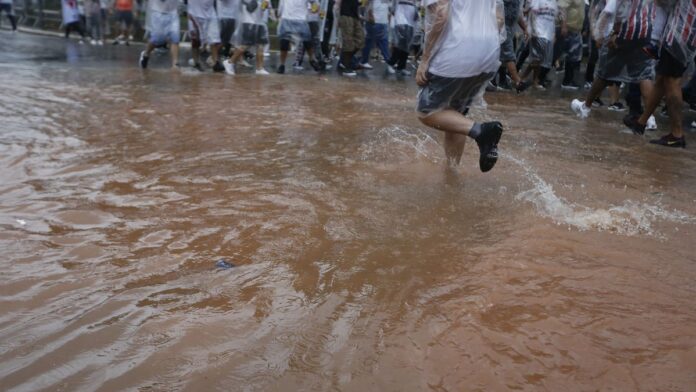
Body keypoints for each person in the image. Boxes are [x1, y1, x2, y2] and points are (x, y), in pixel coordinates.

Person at [416, 0, 505, 171]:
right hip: (488, 54)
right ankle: (452, 173)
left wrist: (425, 59)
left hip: (456, 53)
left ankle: (481, 131)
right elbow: (499, 19)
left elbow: (441, 15)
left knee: (426, 112)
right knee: (455, 115)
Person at [624, 0, 695, 148]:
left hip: (679, 35)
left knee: (671, 80)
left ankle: (677, 134)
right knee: (663, 80)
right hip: (687, 35)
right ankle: (641, 122)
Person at [571, 0, 656, 120]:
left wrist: (601, 35)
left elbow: (609, 10)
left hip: (624, 33)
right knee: (644, 76)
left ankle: (586, 107)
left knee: (603, 72)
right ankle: (649, 118)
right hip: (645, 33)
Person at [223, 0, 271, 74]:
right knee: (245, 45)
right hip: (248, 22)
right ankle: (229, 62)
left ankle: (259, 68)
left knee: (260, 46)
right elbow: (250, 8)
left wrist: (265, 4)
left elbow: (263, 8)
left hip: (259, 23)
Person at [519, 0, 558, 90]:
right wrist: (533, 30)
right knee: (537, 59)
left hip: (548, 35)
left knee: (539, 60)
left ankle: (533, 81)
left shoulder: (553, 3)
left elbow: (553, 19)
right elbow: (532, 14)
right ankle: (523, 78)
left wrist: (553, 33)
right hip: (538, 33)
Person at [276, 0, 321, 74]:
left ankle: (312, 59)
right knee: (284, 43)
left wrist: (315, 9)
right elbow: (281, 4)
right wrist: (279, 14)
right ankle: (282, 65)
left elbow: (314, 2)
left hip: (301, 19)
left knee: (307, 42)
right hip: (286, 18)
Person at [497, 0, 529, 91]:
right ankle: (518, 82)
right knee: (508, 54)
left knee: (502, 56)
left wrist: (525, 29)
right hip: (502, 27)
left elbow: (518, 14)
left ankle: (500, 81)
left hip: (510, 29)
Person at [139, 0, 181, 69]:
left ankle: (175, 64)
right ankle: (146, 54)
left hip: (173, 13)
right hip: (158, 13)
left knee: (175, 37)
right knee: (157, 39)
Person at [188, 0, 224, 71]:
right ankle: (196, 62)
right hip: (194, 14)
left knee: (214, 38)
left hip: (210, 14)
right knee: (195, 41)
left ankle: (215, 62)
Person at [558, 0, 585, 90]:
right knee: (560, 54)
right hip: (568, 29)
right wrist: (564, 25)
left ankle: (568, 80)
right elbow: (562, 8)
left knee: (573, 57)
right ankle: (567, 81)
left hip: (576, 30)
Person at [387, 0, 418, 75]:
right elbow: (392, 6)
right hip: (400, 16)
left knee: (407, 45)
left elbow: (415, 3)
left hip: (410, 19)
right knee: (399, 43)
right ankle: (391, 63)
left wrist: (416, 12)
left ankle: (401, 67)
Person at [336, 0, 365, 76]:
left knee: (360, 40)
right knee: (348, 43)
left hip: (355, 15)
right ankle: (346, 67)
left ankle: (344, 61)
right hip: (346, 14)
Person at [360, 0, 391, 69]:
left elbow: (387, 7)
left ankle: (389, 62)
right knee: (369, 42)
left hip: (383, 22)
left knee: (383, 43)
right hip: (374, 21)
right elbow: (368, 4)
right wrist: (370, 16)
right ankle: (363, 61)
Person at [293, 0, 324, 69]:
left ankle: (319, 61)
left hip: (312, 20)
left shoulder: (316, 2)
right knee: (305, 41)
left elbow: (319, 10)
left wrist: (321, 15)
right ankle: (298, 62)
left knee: (312, 41)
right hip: (307, 20)